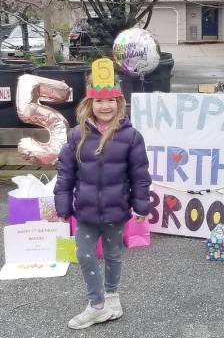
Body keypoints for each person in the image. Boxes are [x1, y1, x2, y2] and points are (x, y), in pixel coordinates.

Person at [54, 58, 151, 330]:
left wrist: (141, 207)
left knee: (113, 255)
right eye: (98, 101)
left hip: (115, 210)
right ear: (89, 104)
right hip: (84, 211)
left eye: (110, 101)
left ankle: (113, 297)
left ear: (119, 103)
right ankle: (97, 305)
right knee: (85, 255)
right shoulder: (77, 135)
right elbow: (65, 173)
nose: (104, 106)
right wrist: (62, 207)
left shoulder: (131, 137)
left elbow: (140, 175)